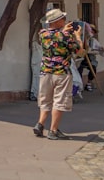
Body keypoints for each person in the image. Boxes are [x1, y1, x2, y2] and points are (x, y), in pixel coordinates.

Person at [33, 8, 81, 141]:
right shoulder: (66, 36)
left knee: (46, 100)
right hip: (62, 72)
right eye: (63, 19)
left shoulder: (42, 33)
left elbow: (54, 38)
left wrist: (64, 31)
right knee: (59, 101)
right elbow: (80, 52)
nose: (65, 20)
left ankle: (40, 124)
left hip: (46, 71)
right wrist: (77, 37)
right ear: (58, 21)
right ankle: (53, 130)